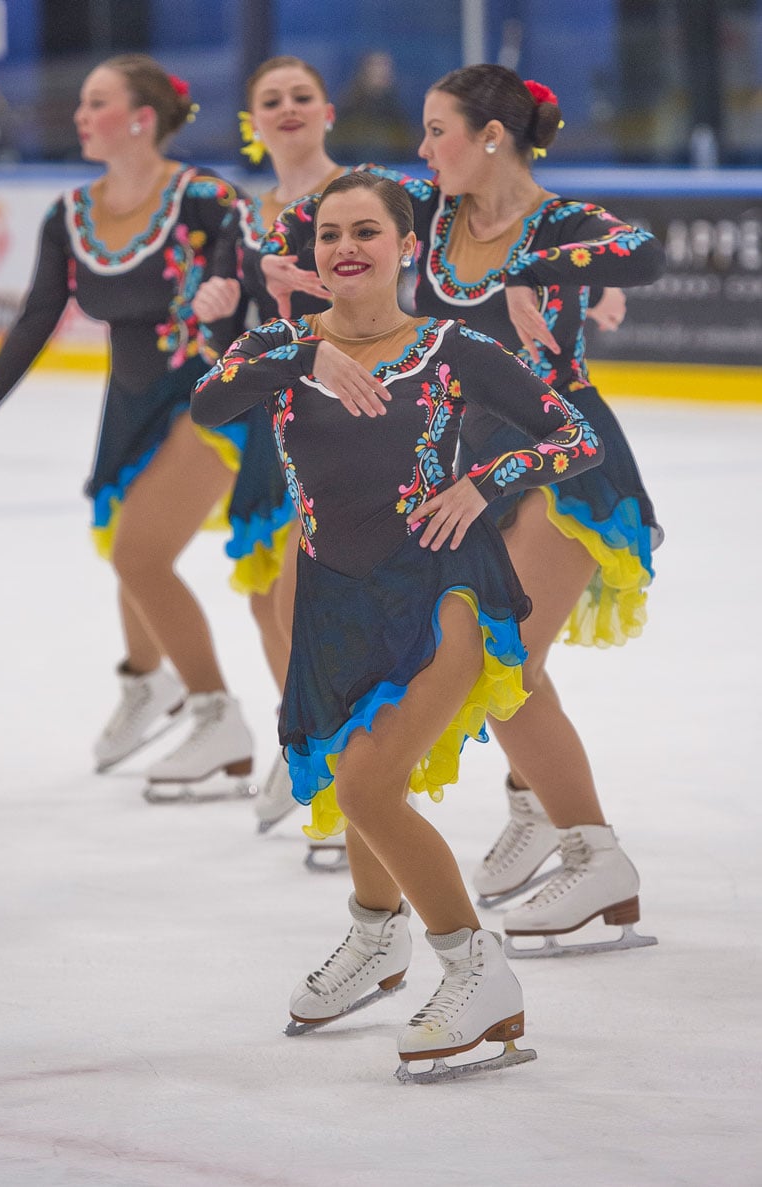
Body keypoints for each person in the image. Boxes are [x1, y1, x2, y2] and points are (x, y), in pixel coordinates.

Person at [191, 171, 604, 1079]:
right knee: (344, 776)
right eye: (331, 232)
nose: (346, 246)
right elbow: (207, 401)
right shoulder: (281, 344)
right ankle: (379, 939)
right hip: (334, 594)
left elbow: (576, 437)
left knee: (373, 786)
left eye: (367, 230)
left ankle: (474, 968)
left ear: (405, 246)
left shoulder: (453, 348)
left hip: (442, 586)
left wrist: (483, 483)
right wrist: (304, 358)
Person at [260, 65, 666, 955]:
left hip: (563, 467)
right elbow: (315, 214)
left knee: (503, 664)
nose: (422, 147)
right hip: (465, 465)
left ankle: (596, 859)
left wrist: (538, 268)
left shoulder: (556, 221)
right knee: (492, 664)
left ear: (490, 135)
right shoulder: (428, 212)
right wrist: (275, 264)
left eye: (437, 129)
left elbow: (642, 248)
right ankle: (541, 810)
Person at [0, 54, 256, 798]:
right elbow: (33, 324)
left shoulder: (204, 198)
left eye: (95, 102)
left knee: (138, 553)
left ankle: (216, 712)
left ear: (141, 119)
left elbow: (241, 275)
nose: (79, 114)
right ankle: (146, 681)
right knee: (127, 543)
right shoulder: (70, 215)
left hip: (214, 394)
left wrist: (229, 286)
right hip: (130, 405)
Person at [192, 55, 342, 836]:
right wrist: (218, 306)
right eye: (271, 100)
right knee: (264, 598)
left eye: (301, 96)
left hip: (348, 410)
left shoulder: (360, 197)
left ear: (328, 112)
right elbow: (235, 334)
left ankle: (338, 756)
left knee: (306, 594)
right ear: (253, 121)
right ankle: (311, 738)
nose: (287, 109)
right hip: (271, 415)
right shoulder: (246, 217)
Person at [327, 51, 417, 163]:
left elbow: (407, 145)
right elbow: (335, 144)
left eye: (385, 67)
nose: (382, 72)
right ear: (363, 71)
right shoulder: (349, 104)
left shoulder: (395, 106)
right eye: (376, 67)